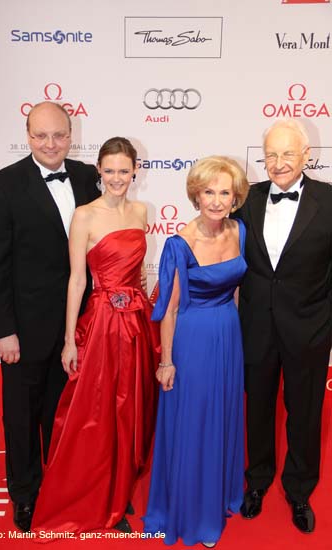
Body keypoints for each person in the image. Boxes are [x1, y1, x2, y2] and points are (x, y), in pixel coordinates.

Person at [0, 101, 100, 532]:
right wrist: (3, 330)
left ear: (72, 134)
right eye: (41, 135)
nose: (50, 144)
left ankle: (66, 485)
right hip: (24, 330)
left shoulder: (89, 178)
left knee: (65, 412)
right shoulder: (0, 187)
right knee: (22, 415)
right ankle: (25, 494)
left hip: (79, 326)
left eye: (59, 135)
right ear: (27, 135)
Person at [31, 137, 159, 535]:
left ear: (135, 170)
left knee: (131, 411)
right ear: (98, 172)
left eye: (124, 170)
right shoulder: (84, 215)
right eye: (110, 171)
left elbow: (136, 272)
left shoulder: (141, 211)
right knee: (101, 414)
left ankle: (120, 493)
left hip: (136, 322)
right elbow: (77, 280)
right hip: (102, 323)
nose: (117, 178)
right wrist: (71, 339)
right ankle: (98, 499)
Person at [143, 156, 249, 547]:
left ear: (235, 197)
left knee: (222, 414)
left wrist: (238, 338)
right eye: (209, 192)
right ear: (196, 194)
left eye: (225, 192)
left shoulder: (239, 230)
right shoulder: (179, 244)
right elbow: (168, 308)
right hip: (192, 339)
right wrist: (166, 361)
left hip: (228, 335)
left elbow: (236, 290)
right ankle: (195, 512)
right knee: (196, 421)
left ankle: (219, 494)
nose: (217, 201)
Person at [236, 118, 332, 534]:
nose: (278, 163)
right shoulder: (246, 200)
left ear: (307, 155)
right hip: (255, 325)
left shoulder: (329, 201)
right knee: (256, 408)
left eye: (287, 154)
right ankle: (256, 481)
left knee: (305, 412)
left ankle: (298, 488)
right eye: (271, 155)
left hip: (309, 327)